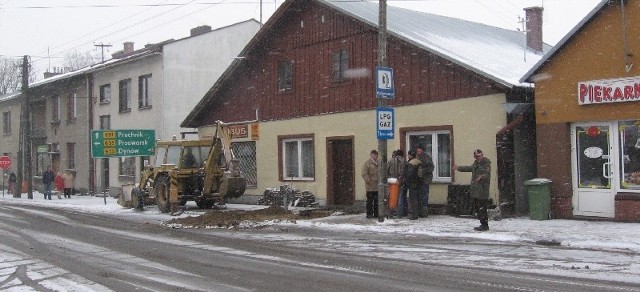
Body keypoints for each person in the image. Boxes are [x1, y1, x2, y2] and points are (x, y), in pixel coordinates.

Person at [453, 149, 492, 231]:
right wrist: (458, 168)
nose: (478, 158)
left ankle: (484, 225)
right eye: (476, 156)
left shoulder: (486, 164)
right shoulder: (476, 164)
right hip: (476, 190)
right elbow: (469, 168)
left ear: (482, 155)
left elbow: (487, 174)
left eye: (479, 156)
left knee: (482, 208)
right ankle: (482, 223)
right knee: (479, 208)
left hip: (482, 189)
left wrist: (481, 177)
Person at [415, 145, 434, 217]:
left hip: (425, 180)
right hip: (420, 180)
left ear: (422, 150)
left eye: (419, 150)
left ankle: (424, 212)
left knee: (424, 196)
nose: (418, 151)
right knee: (420, 196)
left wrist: (422, 171)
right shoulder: (418, 157)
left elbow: (431, 167)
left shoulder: (426, 157)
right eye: (417, 150)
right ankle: (421, 212)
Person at [387, 149, 407, 218]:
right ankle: (400, 213)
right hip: (401, 181)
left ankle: (390, 213)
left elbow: (387, 170)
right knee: (400, 198)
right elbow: (405, 171)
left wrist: (388, 178)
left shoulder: (391, 160)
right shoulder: (404, 161)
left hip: (392, 181)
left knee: (392, 197)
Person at [404, 150, 423, 220]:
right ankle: (419, 213)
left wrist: (407, 182)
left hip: (412, 183)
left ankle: (414, 215)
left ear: (410, 155)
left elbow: (409, 174)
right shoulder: (419, 161)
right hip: (419, 183)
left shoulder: (411, 163)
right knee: (418, 199)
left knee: (413, 199)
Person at [361, 149, 379, 219]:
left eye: (377, 155)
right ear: (371, 155)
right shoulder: (367, 163)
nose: (376, 156)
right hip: (370, 186)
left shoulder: (378, 162)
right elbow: (364, 173)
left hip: (377, 185)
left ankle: (376, 213)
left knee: (377, 201)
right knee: (370, 201)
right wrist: (368, 181)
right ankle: (369, 214)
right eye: (375, 155)